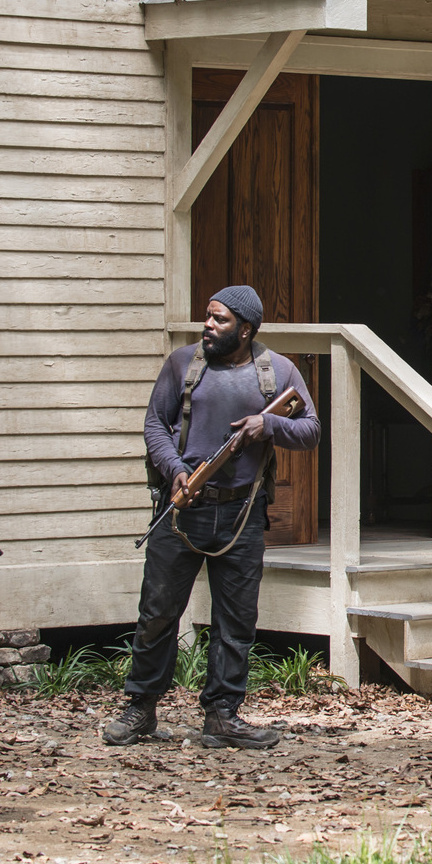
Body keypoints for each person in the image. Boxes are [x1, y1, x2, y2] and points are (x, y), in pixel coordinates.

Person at [105, 286, 322, 750]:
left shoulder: (278, 372)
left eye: (220, 320)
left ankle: (222, 716)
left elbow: (310, 430)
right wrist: (177, 471)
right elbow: (154, 425)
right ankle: (140, 708)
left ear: (245, 329)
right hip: (182, 506)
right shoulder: (182, 364)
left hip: (242, 512)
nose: (208, 325)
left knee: (236, 620)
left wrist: (269, 425)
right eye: (208, 316)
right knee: (158, 612)